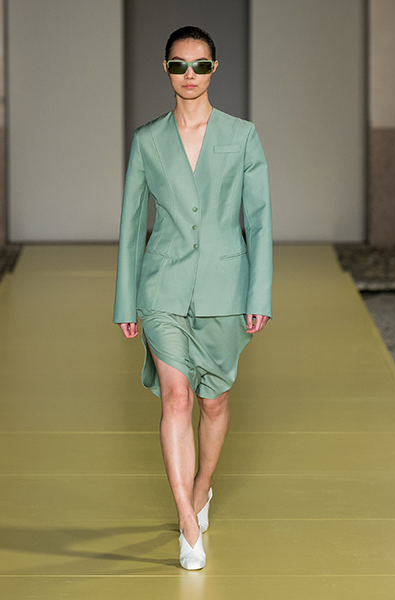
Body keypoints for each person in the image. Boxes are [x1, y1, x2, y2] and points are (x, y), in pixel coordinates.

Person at [113, 25, 273, 570]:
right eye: (179, 64)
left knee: (213, 402)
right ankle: (187, 521)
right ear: (166, 69)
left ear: (213, 69)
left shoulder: (242, 136)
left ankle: (203, 484)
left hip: (226, 290)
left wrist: (260, 293)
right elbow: (131, 225)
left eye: (200, 65)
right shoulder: (147, 141)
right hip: (162, 287)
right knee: (176, 398)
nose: (189, 74)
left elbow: (259, 218)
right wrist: (125, 302)